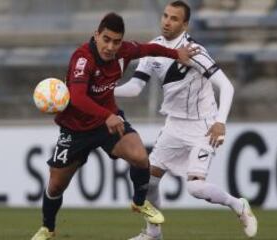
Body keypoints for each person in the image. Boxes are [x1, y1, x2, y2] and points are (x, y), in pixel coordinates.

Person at [30, 12, 198, 240]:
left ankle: (139, 203)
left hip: (107, 123)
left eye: (116, 41)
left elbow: (149, 49)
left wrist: (176, 53)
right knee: (56, 184)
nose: (111, 47)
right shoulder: (82, 58)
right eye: (106, 39)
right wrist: (105, 116)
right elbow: (77, 97)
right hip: (75, 128)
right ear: (96, 35)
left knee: (140, 157)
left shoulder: (124, 51)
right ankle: (47, 229)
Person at [114, 1, 258, 240]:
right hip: (174, 124)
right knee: (148, 181)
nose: (167, 22)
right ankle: (153, 234)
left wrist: (220, 122)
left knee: (195, 188)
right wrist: (106, 91)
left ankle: (238, 205)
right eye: (165, 16)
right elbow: (135, 88)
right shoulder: (153, 48)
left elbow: (226, 86)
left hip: (203, 125)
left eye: (174, 19)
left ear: (185, 24)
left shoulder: (194, 51)